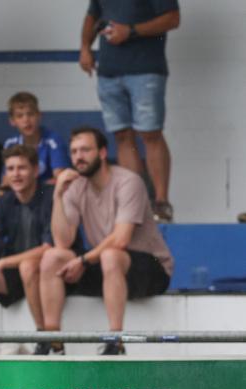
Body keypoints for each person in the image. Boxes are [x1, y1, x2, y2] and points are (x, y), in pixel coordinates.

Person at [39, 127, 173, 355]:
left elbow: (121, 239)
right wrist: (58, 195)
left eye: (85, 150)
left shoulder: (128, 181)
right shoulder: (75, 186)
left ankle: (115, 342)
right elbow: (62, 241)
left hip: (152, 268)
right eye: (74, 152)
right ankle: (53, 342)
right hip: (107, 266)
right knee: (52, 257)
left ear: (102, 153)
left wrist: (83, 260)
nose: (78, 157)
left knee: (111, 255)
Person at [0, 145, 67, 355]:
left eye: (21, 168)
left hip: (51, 273)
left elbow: (48, 248)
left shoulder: (50, 196)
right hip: (15, 276)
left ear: (36, 170)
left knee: (28, 266)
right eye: (10, 169)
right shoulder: (4, 202)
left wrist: (1, 263)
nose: (15, 174)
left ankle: (44, 339)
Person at [80, 0, 180, 223]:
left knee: (150, 134)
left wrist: (132, 31)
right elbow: (92, 15)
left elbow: (173, 18)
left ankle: (161, 203)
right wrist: (85, 47)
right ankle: (137, 203)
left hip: (145, 69)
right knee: (122, 135)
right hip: (108, 71)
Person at [1, 92, 70, 186]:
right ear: (12, 121)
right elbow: (6, 182)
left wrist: (29, 187)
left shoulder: (53, 141)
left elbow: (61, 179)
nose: (26, 120)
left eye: (30, 114)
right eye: (20, 116)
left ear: (39, 115)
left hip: (46, 193)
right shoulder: (10, 144)